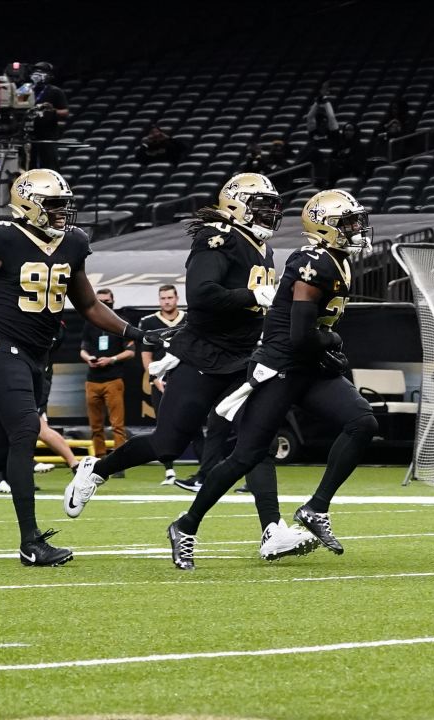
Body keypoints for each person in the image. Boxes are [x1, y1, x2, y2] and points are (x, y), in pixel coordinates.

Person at [0, 168, 174, 567]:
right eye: (54, 205)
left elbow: (88, 305)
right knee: (25, 434)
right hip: (0, 348)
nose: (62, 214)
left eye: (63, 206)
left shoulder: (73, 243)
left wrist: (134, 331)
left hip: (36, 358)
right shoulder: (1, 238)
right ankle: (31, 542)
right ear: (29, 205)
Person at [64, 173, 318, 562]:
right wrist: (252, 294)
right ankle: (97, 469)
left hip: (245, 358)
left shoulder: (260, 247)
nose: (271, 212)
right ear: (237, 204)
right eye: (262, 205)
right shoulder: (217, 237)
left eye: (272, 205)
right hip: (204, 356)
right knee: (167, 442)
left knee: (258, 444)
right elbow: (201, 296)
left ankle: (272, 530)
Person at [164, 188, 378, 570]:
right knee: (246, 455)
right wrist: (332, 340)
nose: (357, 228)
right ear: (325, 227)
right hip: (280, 365)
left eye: (356, 221)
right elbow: (300, 333)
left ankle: (316, 508)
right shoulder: (313, 262)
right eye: (347, 223)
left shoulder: (338, 259)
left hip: (306, 364)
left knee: (361, 421)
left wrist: (325, 348)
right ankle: (186, 525)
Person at [0, 279, 80, 492]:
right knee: (25, 421)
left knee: (4, 423)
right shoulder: (1, 292)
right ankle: (10, 472)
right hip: (7, 360)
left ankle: (8, 472)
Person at [138, 284, 188, 485]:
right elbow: (146, 355)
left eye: (170, 297)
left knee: (196, 422)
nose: (167, 301)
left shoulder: (188, 319)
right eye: (163, 298)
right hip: (161, 382)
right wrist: (155, 378)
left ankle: (206, 469)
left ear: (177, 298)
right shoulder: (149, 322)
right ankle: (169, 470)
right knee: (163, 426)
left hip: (187, 379)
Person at [80, 289, 135, 465]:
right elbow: (83, 349)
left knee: (117, 426)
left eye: (107, 301)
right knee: (96, 426)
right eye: (100, 301)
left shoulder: (121, 323)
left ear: (113, 301)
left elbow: (131, 351)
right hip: (92, 379)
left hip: (113, 378)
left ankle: (118, 463)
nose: (104, 303)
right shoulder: (90, 323)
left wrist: (111, 359)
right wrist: (89, 359)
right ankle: (100, 460)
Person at [28, 62, 69, 171]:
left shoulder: (55, 91)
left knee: (49, 164)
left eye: (41, 72)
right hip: (28, 134)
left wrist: (52, 110)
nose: (37, 74)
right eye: (35, 71)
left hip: (48, 134)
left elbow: (65, 112)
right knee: (29, 165)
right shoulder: (27, 90)